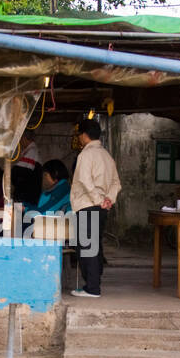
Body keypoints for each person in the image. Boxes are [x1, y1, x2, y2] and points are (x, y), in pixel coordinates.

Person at [69, 118, 121, 298]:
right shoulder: (107, 155)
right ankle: (94, 282)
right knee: (95, 245)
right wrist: (108, 200)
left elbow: (84, 180)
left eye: (79, 135)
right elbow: (116, 183)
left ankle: (92, 288)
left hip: (87, 205)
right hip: (101, 207)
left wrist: (99, 199)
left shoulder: (86, 155)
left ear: (84, 135)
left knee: (86, 247)